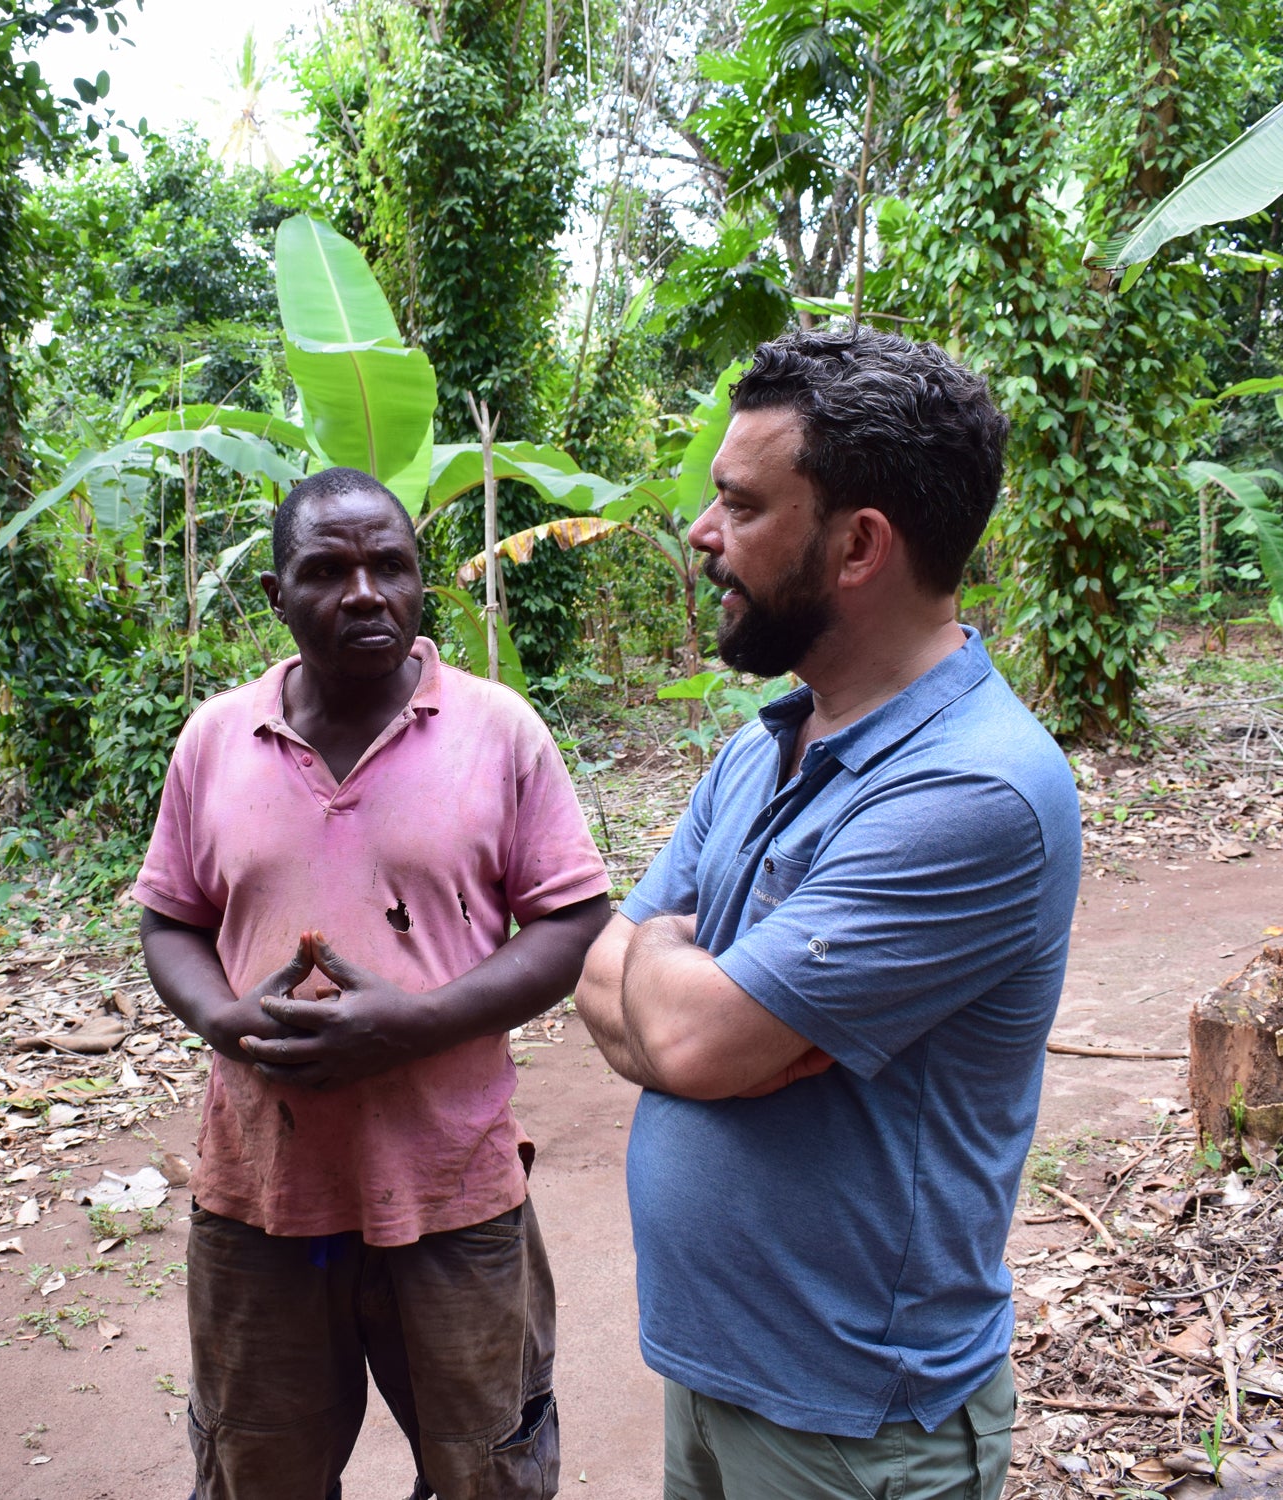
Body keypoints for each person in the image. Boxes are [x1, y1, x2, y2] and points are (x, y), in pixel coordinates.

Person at [574, 330, 1080, 1499]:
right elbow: (602, 980)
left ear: (858, 545)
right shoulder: (767, 745)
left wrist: (676, 991)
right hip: (715, 1382)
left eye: (739, 506)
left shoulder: (974, 790)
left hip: (854, 1430)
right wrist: (668, 973)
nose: (701, 538)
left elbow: (684, 1036)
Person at [133, 467, 610, 1500]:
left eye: (387, 565)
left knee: (487, 1468)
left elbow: (571, 917)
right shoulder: (214, 738)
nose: (362, 592)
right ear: (275, 595)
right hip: (260, 1197)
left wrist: (414, 1024)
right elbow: (169, 917)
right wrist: (224, 1017)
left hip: (452, 1186)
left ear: (417, 583)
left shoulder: (497, 731)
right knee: (257, 1468)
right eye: (327, 569)